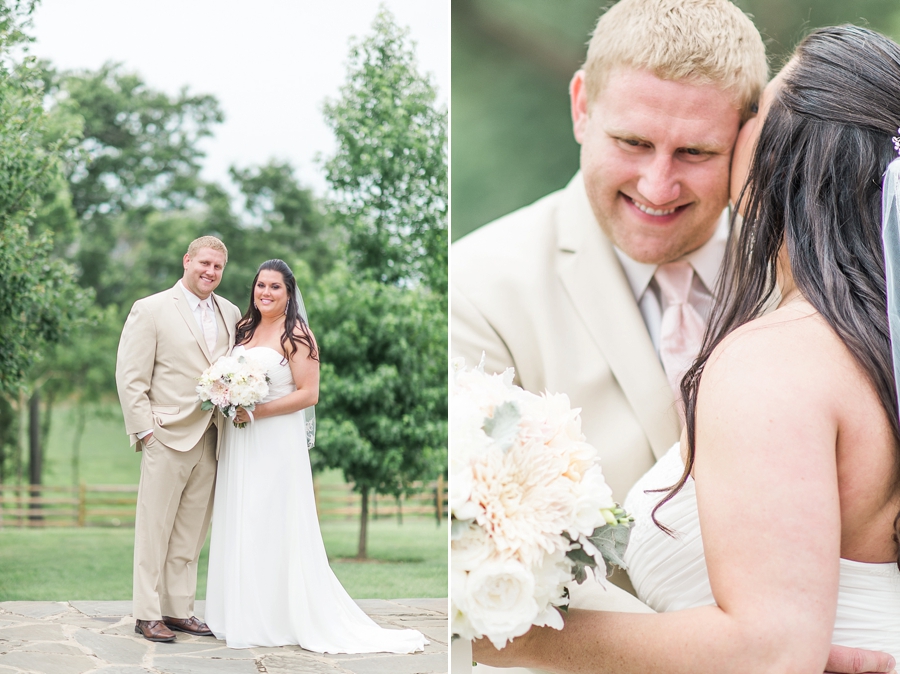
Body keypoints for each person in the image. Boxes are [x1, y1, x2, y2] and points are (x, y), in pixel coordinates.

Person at [473, 25, 900, 671]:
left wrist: (510, 633)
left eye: (755, 114)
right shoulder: (872, 340)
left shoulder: (773, 358)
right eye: (634, 141)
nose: (659, 182)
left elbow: (771, 650)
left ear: (785, 152)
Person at [451, 0, 766, 503]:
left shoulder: (804, 274)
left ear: (750, 138)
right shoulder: (475, 294)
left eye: (695, 152)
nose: (658, 187)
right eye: (633, 142)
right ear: (581, 107)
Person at [204, 259, 428, 653]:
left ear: (289, 293)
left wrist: (257, 410)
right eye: (260, 286)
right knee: (243, 516)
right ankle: (242, 612)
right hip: (241, 440)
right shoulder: (244, 329)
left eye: (275, 287)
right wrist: (226, 394)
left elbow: (309, 394)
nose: (266, 293)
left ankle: (279, 618)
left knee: (272, 519)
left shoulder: (298, 335)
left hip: (274, 438)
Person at [116, 235, 242, 643]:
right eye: (204, 263)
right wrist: (146, 431)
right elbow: (130, 377)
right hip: (166, 436)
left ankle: (178, 609)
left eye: (218, 267)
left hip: (211, 436)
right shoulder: (150, 309)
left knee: (191, 531)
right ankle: (146, 613)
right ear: (187, 260)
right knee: (154, 529)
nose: (210, 272)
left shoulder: (230, 312)